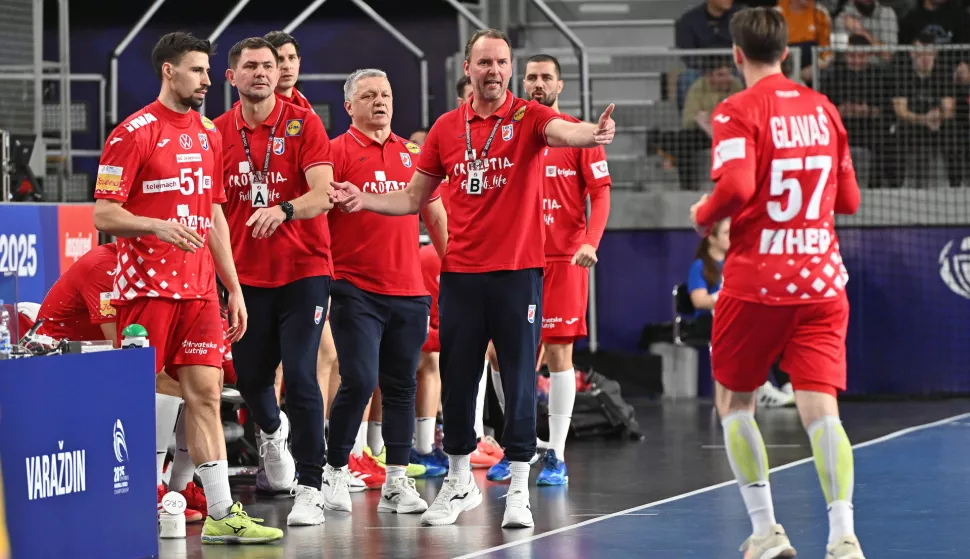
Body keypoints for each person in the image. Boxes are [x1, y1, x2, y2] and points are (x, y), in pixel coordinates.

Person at [329, 27, 616, 529]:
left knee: (521, 380)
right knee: (459, 381)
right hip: (460, 276)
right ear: (468, 69)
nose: (494, 71)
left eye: (502, 62)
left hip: (518, 274)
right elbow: (413, 198)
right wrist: (364, 198)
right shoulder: (446, 128)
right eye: (485, 63)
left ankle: (520, 489)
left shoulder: (529, 117)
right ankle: (460, 482)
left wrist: (592, 133)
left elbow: (563, 132)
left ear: (510, 68)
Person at [92, 31, 282, 544]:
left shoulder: (208, 132)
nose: (206, 81)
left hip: (199, 293)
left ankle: (220, 512)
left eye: (207, 71)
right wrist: (155, 225)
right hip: (146, 290)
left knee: (206, 394)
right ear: (168, 71)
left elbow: (214, 215)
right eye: (197, 70)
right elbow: (104, 213)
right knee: (139, 398)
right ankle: (134, 499)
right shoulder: (133, 132)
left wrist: (233, 288)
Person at [689, 8, 864, 558]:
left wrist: (703, 214)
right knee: (822, 412)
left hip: (758, 281)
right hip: (822, 281)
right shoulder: (825, 108)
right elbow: (850, 200)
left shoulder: (736, 110)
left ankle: (766, 531)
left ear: (736, 53)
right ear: (787, 53)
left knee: (734, 401)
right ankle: (843, 537)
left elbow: (737, 187)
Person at [212, 37, 334, 527]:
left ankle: (311, 485)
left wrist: (284, 209)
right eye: (251, 66)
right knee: (250, 377)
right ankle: (271, 430)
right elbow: (212, 209)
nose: (263, 72)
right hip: (245, 277)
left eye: (269, 65)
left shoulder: (304, 123)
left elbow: (323, 194)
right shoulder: (216, 132)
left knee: (302, 375)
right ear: (232, 77)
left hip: (304, 270)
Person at [322, 68, 449, 514]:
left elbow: (435, 216)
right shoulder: (333, 152)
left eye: (386, 94)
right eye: (369, 95)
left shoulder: (414, 154)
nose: (380, 102)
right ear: (349, 106)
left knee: (400, 386)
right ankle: (335, 470)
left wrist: (454, 268)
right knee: (359, 380)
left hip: (409, 289)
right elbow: (316, 217)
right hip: (353, 287)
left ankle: (396, 481)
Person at [515, 53, 612, 486]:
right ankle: (516, 449)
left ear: (560, 85)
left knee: (558, 354)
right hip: (517, 259)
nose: (538, 83)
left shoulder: (578, 134)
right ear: (522, 83)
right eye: (531, 77)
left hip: (564, 259)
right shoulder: (511, 134)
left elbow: (601, 193)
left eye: (546, 77)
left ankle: (555, 453)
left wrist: (591, 240)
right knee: (507, 355)